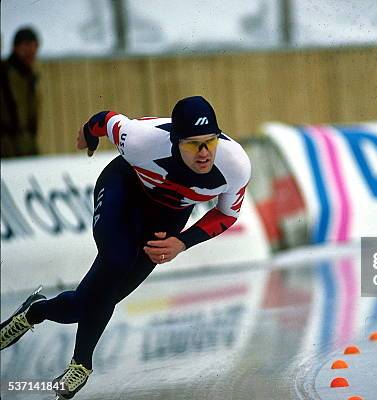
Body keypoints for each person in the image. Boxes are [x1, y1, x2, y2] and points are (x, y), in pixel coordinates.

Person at [0, 95, 251, 399]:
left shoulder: (235, 164)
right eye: (191, 144)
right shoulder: (141, 140)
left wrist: (183, 241)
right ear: (174, 141)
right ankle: (82, 363)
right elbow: (106, 120)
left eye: (210, 142)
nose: (203, 153)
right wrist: (87, 134)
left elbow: (226, 214)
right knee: (116, 262)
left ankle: (34, 312)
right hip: (124, 189)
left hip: (167, 216)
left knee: (92, 301)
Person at [0, 27, 41, 157]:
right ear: (15, 48)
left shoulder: (31, 76)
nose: (31, 51)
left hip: (26, 144)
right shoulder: (5, 73)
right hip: (7, 146)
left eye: (34, 46)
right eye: (26, 46)